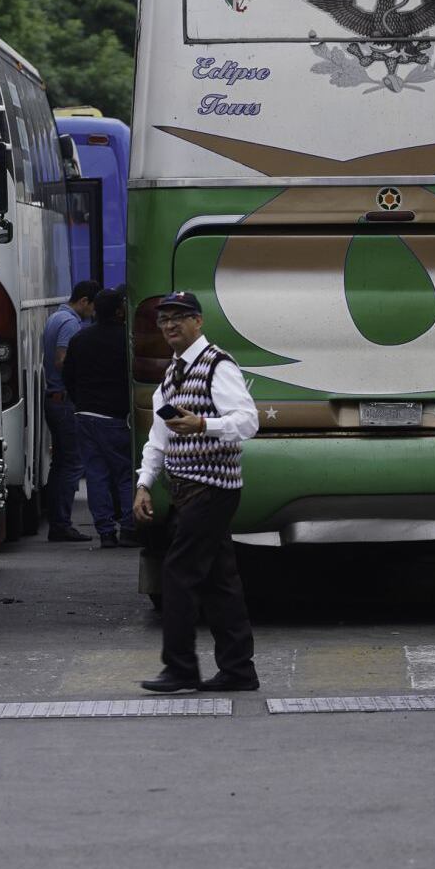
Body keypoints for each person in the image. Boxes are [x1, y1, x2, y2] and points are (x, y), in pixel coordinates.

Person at [132, 291, 261, 693]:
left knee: (178, 574)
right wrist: (144, 483)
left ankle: (181, 668)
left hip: (212, 488)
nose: (169, 325)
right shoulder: (172, 374)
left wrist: (206, 426)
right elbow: (158, 436)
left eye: (179, 318)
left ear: (198, 322)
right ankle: (239, 670)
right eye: (163, 319)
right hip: (190, 489)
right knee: (220, 581)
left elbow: (248, 421)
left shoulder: (216, 366)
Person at [64, 287, 138, 549]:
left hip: (85, 415)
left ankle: (106, 532)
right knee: (124, 474)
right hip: (117, 417)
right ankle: (129, 527)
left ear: (95, 309)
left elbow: (67, 377)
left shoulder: (80, 339)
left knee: (96, 475)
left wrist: (80, 401)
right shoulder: (128, 341)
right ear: (120, 311)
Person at [41, 280, 101, 542]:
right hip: (63, 400)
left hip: (54, 399)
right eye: (93, 306)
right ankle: (61, 524)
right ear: (85, 301)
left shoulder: (56, 316)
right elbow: (62, 359)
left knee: (62, 462)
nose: (94, 312)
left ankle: (58, 521)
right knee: (72, 463)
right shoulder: (70, 323)